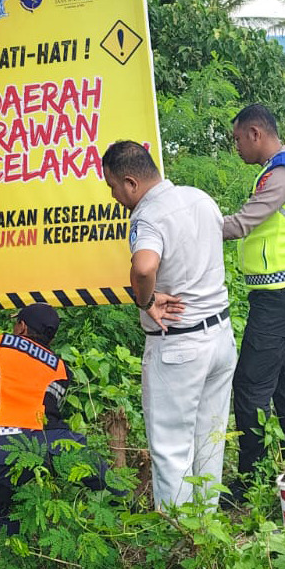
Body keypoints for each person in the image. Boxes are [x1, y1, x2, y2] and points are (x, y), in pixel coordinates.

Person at [102, 140, 236, 510]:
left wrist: (146, 301)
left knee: (171, 447)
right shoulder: (200, 199)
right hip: (220, 337)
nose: (114, 196)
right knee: (210, 439)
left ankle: (178, 533)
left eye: (113, 186)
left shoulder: (148, 216)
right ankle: (206, 525)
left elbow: (144, 266)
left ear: (131, 183)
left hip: (179, 345)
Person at [0, 303, 109, 534]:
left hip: (0, 451)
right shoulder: (61, 369)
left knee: (7, 523)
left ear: (22, 327)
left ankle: (14, 546)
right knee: (99, 475)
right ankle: (124, 506)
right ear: (51, 337)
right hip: (47, 447)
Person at [222, 104, 285, 505]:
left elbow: (243, 222)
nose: (237, 147)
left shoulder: (279, 174)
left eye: (238, 139)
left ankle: (250, 481)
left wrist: (191, 225)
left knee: (250, 385)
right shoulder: (278, 169)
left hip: (283, 295)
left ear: (256, 134)